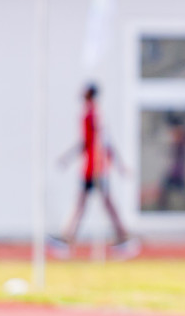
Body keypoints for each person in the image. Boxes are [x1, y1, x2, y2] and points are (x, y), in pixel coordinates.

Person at [50, 85, 138, 257]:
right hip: (94, 168)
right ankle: (68, 237)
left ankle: (123, 237)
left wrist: (67, 158)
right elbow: (95, 143)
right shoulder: (93, 115)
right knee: (90, 204)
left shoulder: (92, 115)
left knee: (98, 204)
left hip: (95, 169)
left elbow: (98, 142)